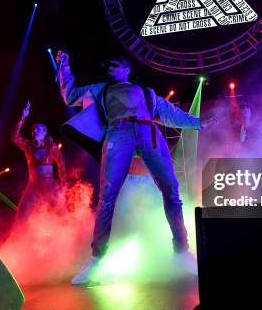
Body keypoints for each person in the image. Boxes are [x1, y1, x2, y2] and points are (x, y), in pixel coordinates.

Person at [55, 51, 214, 285]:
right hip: (117, 134)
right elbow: (70, 95)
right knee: (107, 196)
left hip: (148, 133)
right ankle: (97, 259)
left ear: (126, 69)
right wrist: (65, 68)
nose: (109, 69)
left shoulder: (147, 93)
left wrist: (198, 122)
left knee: (171, 189)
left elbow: (170, 114)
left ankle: (181, 252)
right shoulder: (101, 89)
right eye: (108, 67)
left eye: (114, 65)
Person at [12, 100, 67, 220]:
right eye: (33, 130)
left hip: (50, 185)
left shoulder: (51, 146)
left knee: (61, 211)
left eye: (37, 129)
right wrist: (23, 117)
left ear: (44, 132)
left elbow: (61, 165)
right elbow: (14, 137)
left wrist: (64, 184)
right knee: (22, 213)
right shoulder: (28, 145)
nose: (34, 131)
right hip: (33, 185)